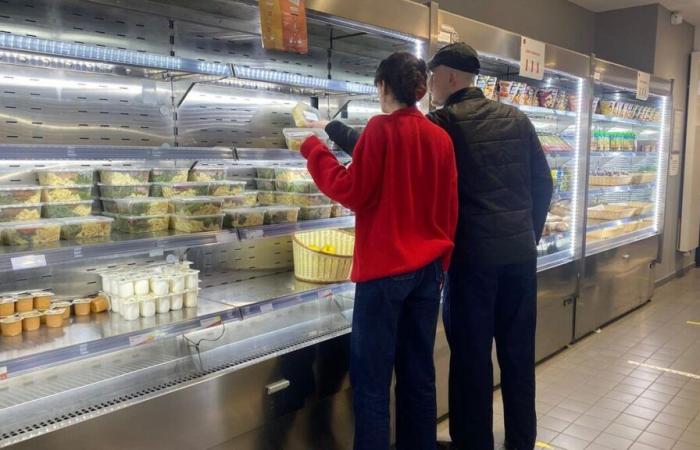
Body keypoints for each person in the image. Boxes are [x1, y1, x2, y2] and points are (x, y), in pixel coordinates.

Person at [314, 43, 553, 450]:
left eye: (435, 77)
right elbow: (544, 185)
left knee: (471, 361)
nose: (431, 87)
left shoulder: (444, 122)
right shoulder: (516, 117)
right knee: (517, 358)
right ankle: (521, 443)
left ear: (449, 78)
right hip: (516, 261)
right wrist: (525, 238)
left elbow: (388, 152)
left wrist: (326, 132)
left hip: (470, 262)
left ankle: (473, 445)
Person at [299, 51, 458, 450]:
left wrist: (314, 152)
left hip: (384, 272)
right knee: (418, 374)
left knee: (372, 381)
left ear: (384, 87)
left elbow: (352, 190)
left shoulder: (379, 130)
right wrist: (442, 263)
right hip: (428, 271)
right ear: (420, 91)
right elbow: (450, 206)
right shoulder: (440, 138)